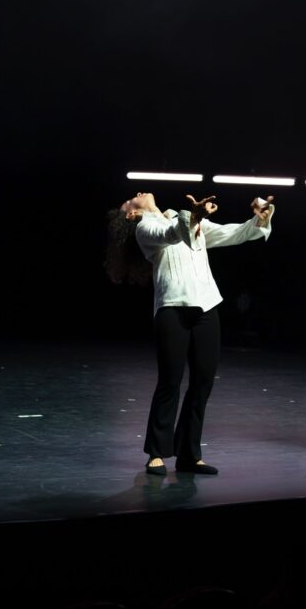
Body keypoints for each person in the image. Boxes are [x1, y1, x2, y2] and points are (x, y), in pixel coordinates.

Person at [106, 191, 275, 475]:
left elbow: (230, 233)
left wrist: (258, 219)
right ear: (131, 214)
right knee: (169, 382)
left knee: (202, 383)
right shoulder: (145, 229)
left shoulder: (179, 217)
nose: (137, 194)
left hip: (207, 306)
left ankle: (189, 454)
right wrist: (193, 216)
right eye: (130, 200)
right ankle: (156, 453)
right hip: (172, 309)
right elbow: (172, 234)